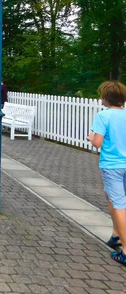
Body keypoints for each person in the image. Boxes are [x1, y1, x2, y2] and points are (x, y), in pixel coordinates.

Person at [86, 81, 126, 265]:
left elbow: (97, 143)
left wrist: (91, 137)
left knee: (119, 204)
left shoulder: (103, 116)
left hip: (112, 165)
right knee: (112, 198)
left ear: (106, 98)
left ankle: (125, 251)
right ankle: (116, 235)